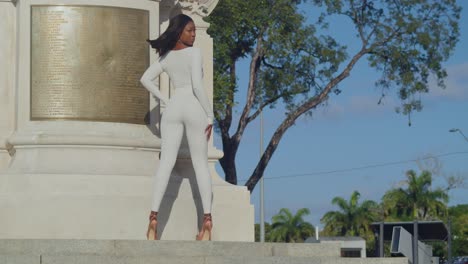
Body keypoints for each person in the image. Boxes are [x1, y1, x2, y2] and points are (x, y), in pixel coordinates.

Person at [140, 14, 214, 241]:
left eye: (194, 31)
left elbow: (145, 79)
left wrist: (165, 100)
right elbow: (198, 87)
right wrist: (210, 115)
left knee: (165, 164)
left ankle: (153, 217)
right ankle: (207, 222)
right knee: (201, 165)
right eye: (190, 30)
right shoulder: (194, 53)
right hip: (193, 107)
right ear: (179, 31)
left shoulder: (167, 57)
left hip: (173, 109)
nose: (194, 34)